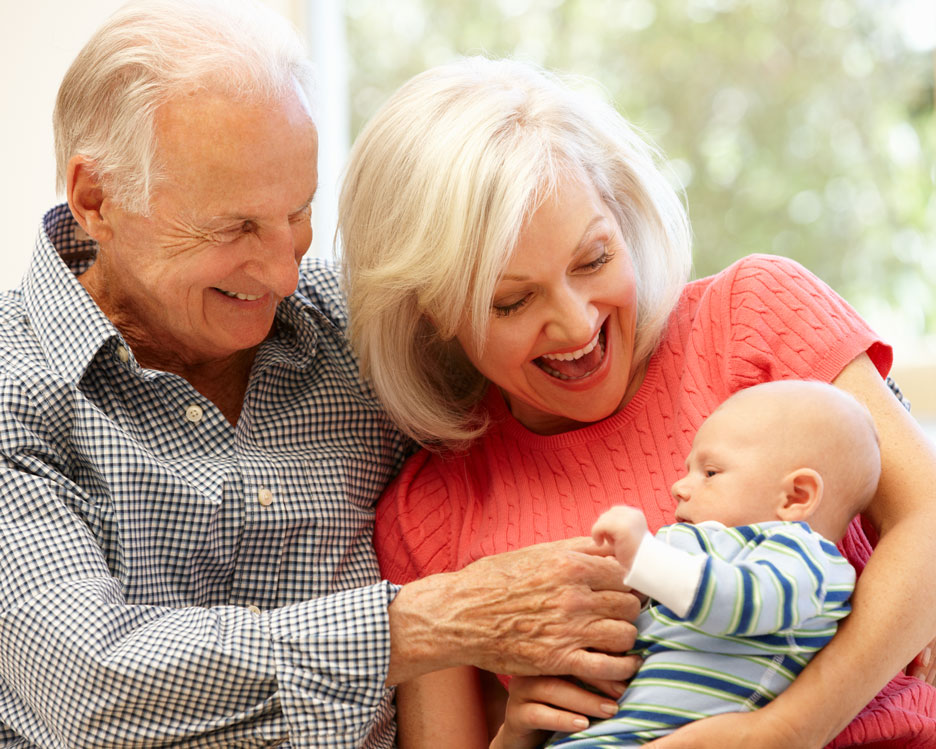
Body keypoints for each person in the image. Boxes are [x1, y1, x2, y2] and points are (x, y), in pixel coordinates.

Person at [0, 5, 646, 746]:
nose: (283, 272)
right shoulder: (15, 390)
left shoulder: (354, 327)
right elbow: (92, 684)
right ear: (97, 200)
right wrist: (441, 618)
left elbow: (569, 381)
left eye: (298, 213)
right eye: (235, 228)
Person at [338, 56, 936, 748]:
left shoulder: (752, 316)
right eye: (512, 300)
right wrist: (518, 733)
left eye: (593, 259)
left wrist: (783, 731)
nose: (576, 323)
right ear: (433, 312)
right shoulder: (430, 514)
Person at [548, 379, 880, 747]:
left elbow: (737, 601)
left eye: (710, 472)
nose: (678, 486)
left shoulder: (808, 560)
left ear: (794, 496)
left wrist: (645, 558)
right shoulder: (695, 546)